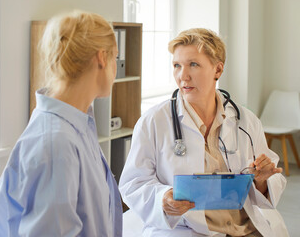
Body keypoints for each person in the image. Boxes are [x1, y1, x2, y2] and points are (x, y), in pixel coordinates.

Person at [119, 28, 288, 237]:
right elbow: (133, 183)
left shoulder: (245, 120)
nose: (183, 75)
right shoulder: (154, 121)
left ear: (217, 70)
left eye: (193, 65)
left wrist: (262, 180)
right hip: (187, 228)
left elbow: (269, 180)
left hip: (244, 228)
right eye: (177, 66)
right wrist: (163, 198)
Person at [0, 11, 122, 236]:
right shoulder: (56, 143)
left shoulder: (79, 123)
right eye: (115, 58)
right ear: (102, 58)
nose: (116, 71)